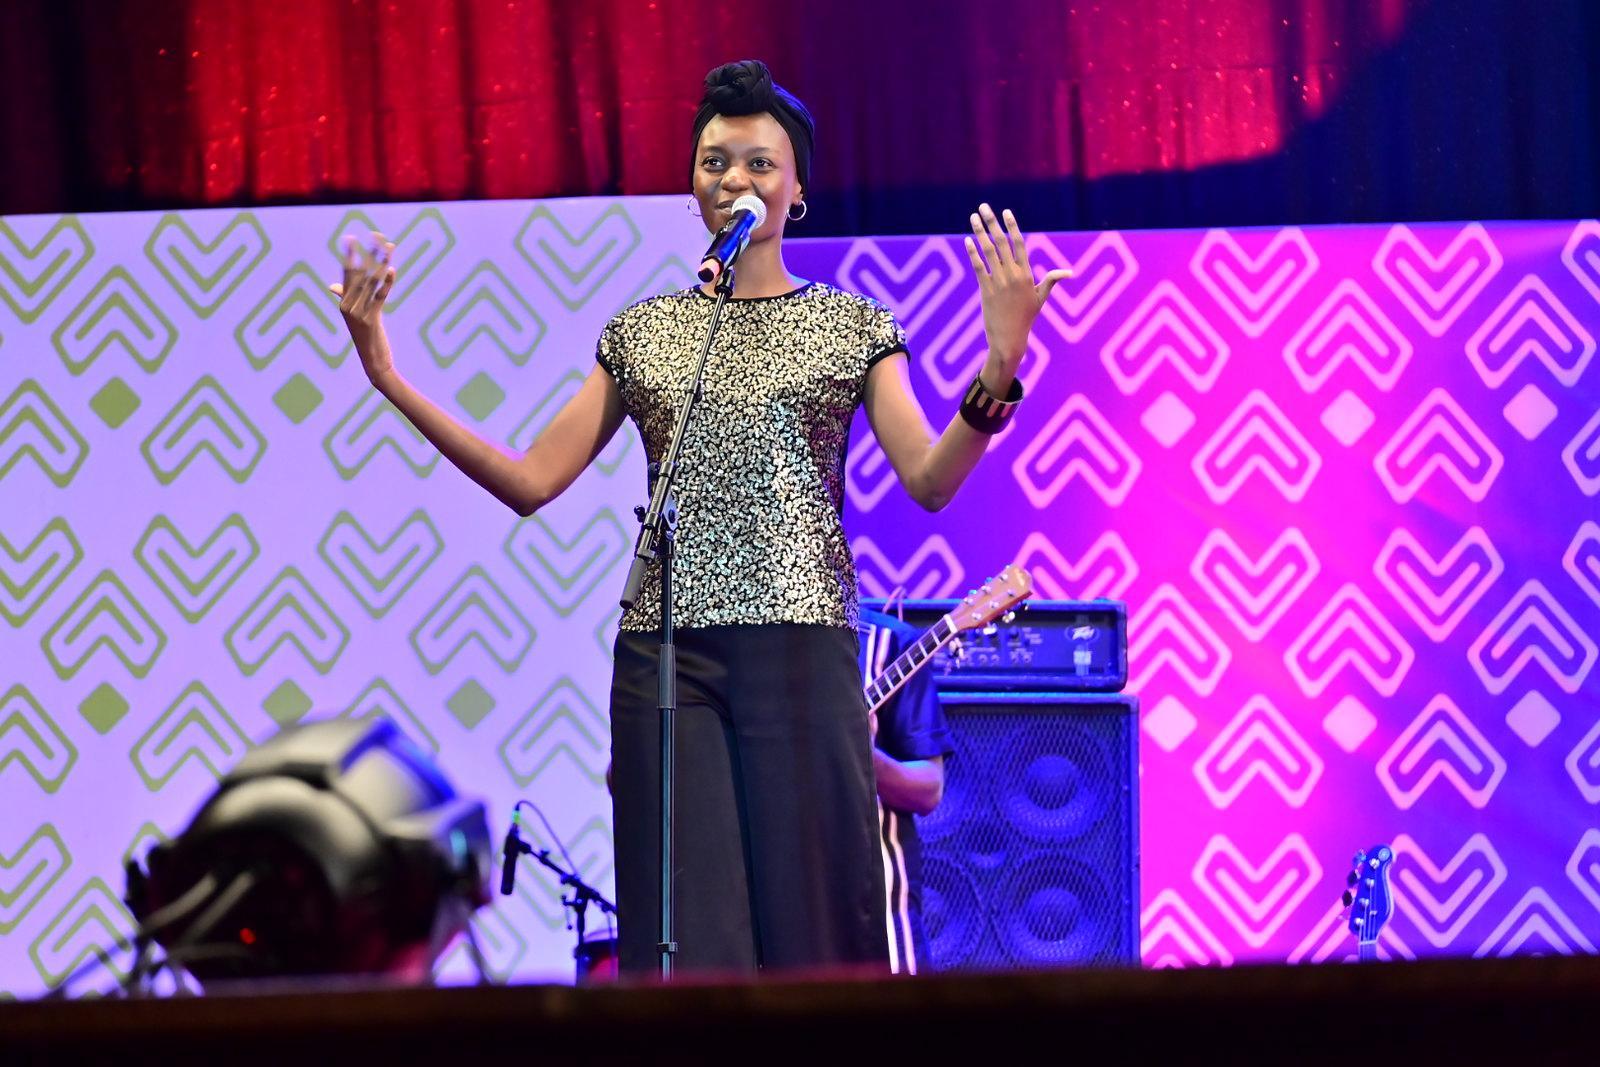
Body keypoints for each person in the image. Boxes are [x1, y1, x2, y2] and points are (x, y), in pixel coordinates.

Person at [329, 59, 1070, 977]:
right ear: (693, 186)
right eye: (715, 162)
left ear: (797, 190)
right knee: (688, 938)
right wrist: (387, 376)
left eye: (760, 163)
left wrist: (1000, 368)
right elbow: (530, 480)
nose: (734, 180)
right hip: (667, 653)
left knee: (815, 934)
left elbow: (929, 478)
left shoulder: (853, 325)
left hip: (802, 650)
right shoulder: (647, 331)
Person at [860, 608, 953, 976]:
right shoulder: (741, 644)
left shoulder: (886, 643)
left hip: (874, 894)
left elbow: (928, 789)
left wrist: (861, 757)